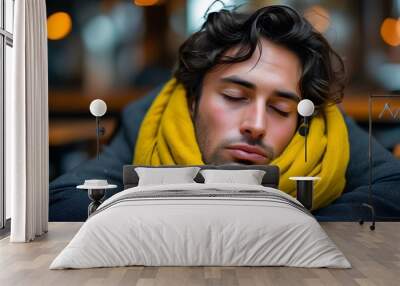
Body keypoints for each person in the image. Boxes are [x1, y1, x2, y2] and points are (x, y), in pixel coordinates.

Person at [50, 5, 400, 222]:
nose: (256, 125)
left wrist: (292, 228)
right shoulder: (154, 116)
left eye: (280, 108)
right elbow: (63, 200)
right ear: (192, 101)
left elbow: (394, 187)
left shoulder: (325, 128)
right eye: (234, 96)